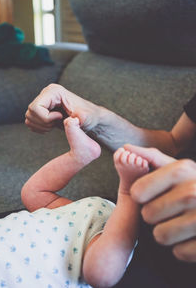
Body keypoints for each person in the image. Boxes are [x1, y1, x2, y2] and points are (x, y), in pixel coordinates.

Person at [25, 84, 196, 266]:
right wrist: (97, 117)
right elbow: (174, 144)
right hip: (120, 223)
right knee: (30, 194)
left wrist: (128, 192)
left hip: (139, 255)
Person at [0, 116, 150, 288]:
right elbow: (102, 278)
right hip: (89, 243)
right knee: (99, 274)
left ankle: (84, 158)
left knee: (31, 193)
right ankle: (123, 191)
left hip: (76, 229)